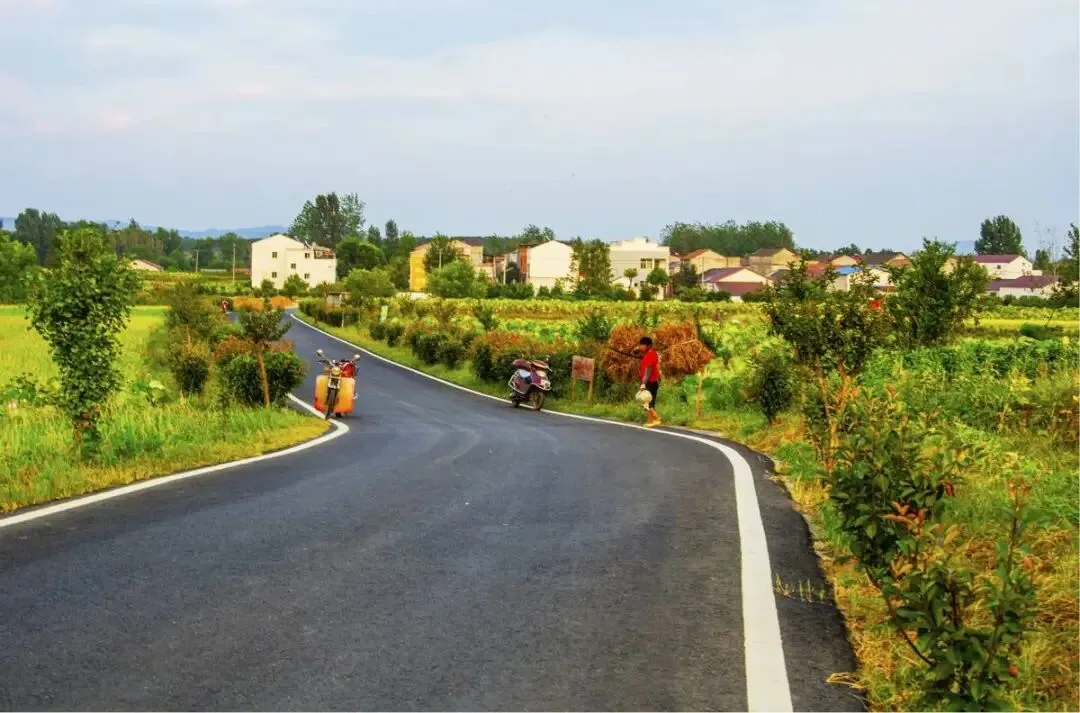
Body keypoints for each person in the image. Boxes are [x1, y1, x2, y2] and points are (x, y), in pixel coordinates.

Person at [638, 336, 662, 427]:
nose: (640, 347)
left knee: (645, 402)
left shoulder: (650, 355)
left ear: (649, 346)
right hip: (652, 381)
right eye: (640, 345)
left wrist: (643, 383)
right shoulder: (649, 354)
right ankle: (650, 421)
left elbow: (648, 371)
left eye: (642, 345)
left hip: (650, 382)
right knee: (649, 402)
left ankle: (656, 417)